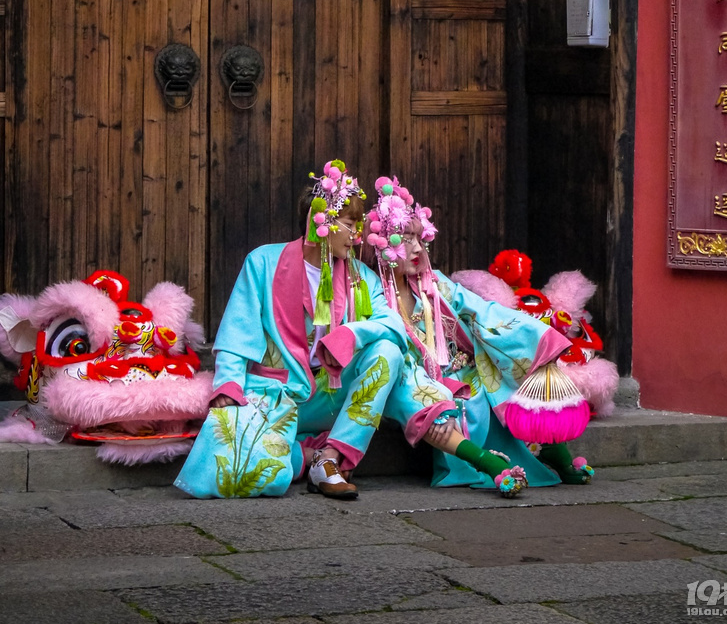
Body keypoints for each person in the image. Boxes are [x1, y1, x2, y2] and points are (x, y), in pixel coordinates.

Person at [175, 160, 407, 500]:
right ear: (321, 222)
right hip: (274, 394)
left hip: (329, 397)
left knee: (388, 351)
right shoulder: (262, 263)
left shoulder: (362, 276)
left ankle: (332, 457)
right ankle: (307, 458)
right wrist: (228, 382)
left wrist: (352, 334)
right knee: (225, 451)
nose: (359, 234)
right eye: (349, 223)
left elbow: (393, 326)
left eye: (359, 223)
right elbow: (239, 331)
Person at [364, 176, 593, 492]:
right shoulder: (374, 295)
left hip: (463, 368)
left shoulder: (437, 284)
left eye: (420, 238)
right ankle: (487, 462)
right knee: (431, 392)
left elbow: (484, 313)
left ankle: (553, 449)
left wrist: (537, 337)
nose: (417, 248)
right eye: (405, 239)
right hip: (417, 376)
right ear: (383, 245)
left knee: (503, 362)